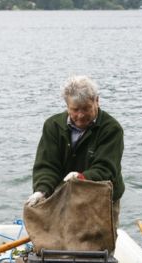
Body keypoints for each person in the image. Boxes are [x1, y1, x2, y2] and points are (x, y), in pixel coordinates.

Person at [26, 75, 125, 228]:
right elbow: (47, 165)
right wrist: (42, 190)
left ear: (96, 101)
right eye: (75, 109)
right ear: (67, 106)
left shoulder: (112, 129)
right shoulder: (52, 126)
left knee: (98, 248)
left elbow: (106, 168)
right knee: (59, 243)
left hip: (100, 200)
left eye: (86, 108)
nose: (81, 115)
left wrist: (81, 177)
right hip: (64, 198)